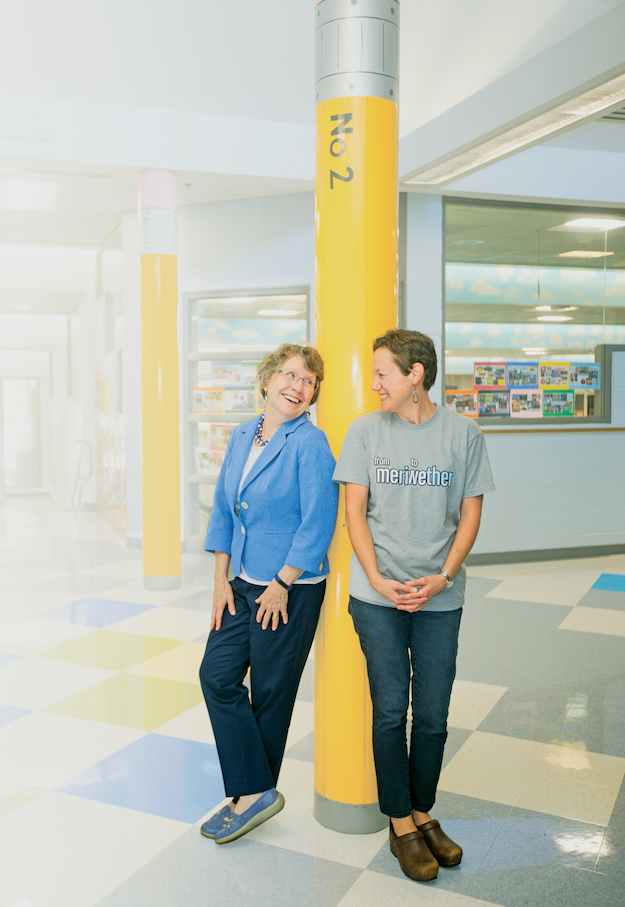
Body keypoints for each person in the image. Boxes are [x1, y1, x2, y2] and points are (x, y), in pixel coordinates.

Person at [333, 329, 494, 883]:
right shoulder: (364, 432)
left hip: (440, 596)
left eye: (383, 374)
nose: (374, 384)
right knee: (387, 711)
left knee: (431, 715)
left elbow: (470, 515)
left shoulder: (464, 434)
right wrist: (376, 579)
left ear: (415, 374)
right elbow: (354, 512)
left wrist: (443, 577)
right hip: (375, 598)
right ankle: (400, 823)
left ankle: (424, 811)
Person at [199, 343, 338, 845]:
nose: (297, 387)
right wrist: (220, 580)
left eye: (308, 381)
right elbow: (222, 510)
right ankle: (257, 788)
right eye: (289, 374)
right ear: (266, 380)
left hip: (290, 588)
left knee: (271, 695)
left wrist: (282, 583)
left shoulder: (310, 443)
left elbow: (318, 520)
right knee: (216, 676)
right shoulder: (241, 434)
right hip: (241, 582)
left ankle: (250, 794)